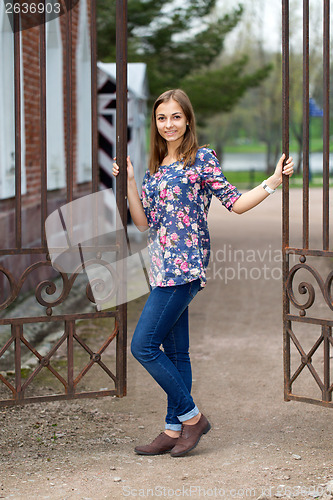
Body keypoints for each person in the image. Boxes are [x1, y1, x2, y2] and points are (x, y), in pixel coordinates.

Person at [112, 89, 294, 458]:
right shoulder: (154, 168)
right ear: (155, 123)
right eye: (162, 118)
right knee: (177, 353)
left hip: (185, 268)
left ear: (188, 120)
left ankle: (192, 419)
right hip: (161, 268)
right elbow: (142, 221)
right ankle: (172, 428)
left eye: (176, 117)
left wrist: (272, 181)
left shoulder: (201, 160)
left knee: (143, 346)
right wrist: (130, 181)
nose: (169, 124)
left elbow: (236, 203)